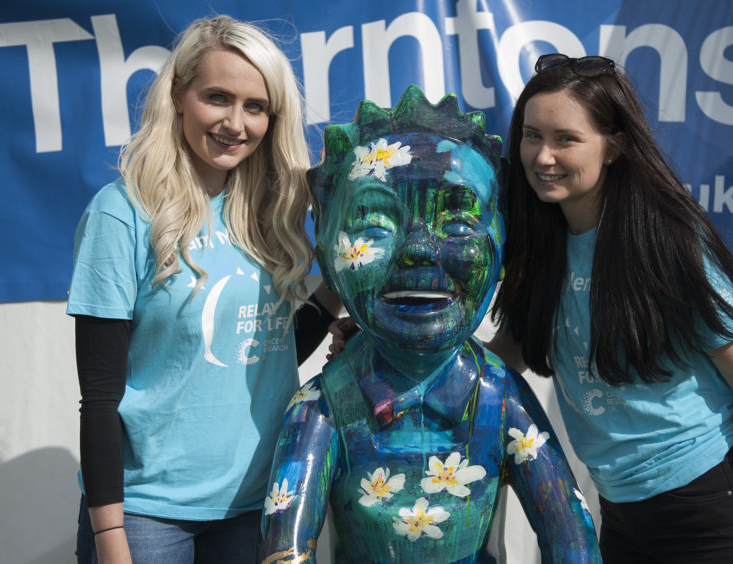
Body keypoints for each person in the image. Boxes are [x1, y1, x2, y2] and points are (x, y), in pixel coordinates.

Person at [262, 84, 601, 563]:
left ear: (501, 243)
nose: (418, 248)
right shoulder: (322, 409)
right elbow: (285, 549)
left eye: (458, 221)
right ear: (328, 252)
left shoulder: (498, 398)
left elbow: (571, 538)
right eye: (374, 223)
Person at [485, 54, 733, 563]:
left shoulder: (668, 240)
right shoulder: (537, 244)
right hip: (619, 514)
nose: (543, 156)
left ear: (614, 146)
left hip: (706, 506)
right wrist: (392, 356)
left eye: (566, 138)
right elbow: (505, 357)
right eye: (531, 135)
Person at [67, 15, 341, 563]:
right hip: (147, 517)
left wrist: (337, 293)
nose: (235, 123)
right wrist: (110, 538)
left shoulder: (270, 215)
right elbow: (99, 397)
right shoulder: (121, 214)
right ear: (178, 95)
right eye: (218, 98)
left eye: (255, 106)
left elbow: (262, 348)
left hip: (260, 505)